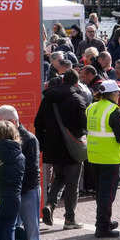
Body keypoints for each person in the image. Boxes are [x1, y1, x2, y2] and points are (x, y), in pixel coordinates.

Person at [0, 105, 43, 240]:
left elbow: (29, 171)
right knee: (14, 233)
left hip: (27, 192)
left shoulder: (29, 139)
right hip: (14, 193)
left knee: (32, 234)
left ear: (13, 122)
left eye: (1, 123)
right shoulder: (5, 139)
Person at [35, 70, 87, 228]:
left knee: (59, 178)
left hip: (53, 147)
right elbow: (82, 127)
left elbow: (38, 123)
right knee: (72, 184)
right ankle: (70, 219)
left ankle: (50, 205)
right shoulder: (77, 100)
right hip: (71, 148)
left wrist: (43, 145)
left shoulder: (47, 99)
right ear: (76, 83)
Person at [86, 80, 120, 238]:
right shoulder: (115, 111)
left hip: (93, 156)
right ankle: (103, 227)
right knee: (107, 195)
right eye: (118, 93)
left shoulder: (91, 108)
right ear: (113, 94)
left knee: (100, 193)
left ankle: (104, 221)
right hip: (109, 158)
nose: (119, 95)